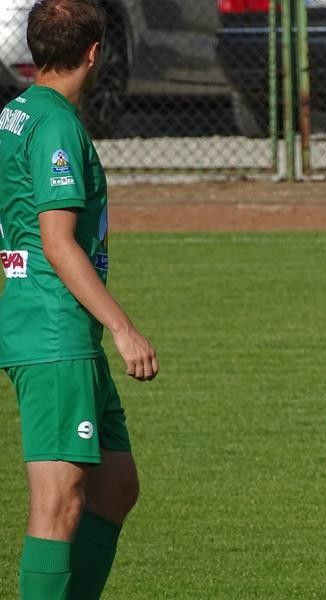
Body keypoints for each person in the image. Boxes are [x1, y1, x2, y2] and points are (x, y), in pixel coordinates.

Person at [0, 1, 159, 598]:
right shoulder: (57, 126)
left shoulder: (16, 112)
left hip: (54, 327)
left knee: (114, 487)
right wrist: (123, 327)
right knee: (59, 502)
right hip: (55, 331)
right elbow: (58, 241)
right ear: (94, 53)